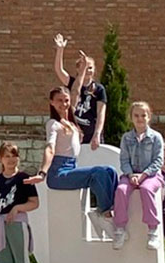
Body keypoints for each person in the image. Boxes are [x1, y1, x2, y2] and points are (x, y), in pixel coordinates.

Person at [41, 86, 117, 225]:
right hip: (59, 173)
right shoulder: (53, 124)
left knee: (110, 171)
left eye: (66, 100)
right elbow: (50, 148)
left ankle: (113, 210)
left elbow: (76, 90)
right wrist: (42, 172)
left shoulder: (71, 123)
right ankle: (106, 214)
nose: (64, 104)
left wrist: (83, 71)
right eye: (59, 101)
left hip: (72, 166)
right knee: (98, 173)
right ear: (51, 102)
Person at [112, 101, 165, 251]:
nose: (140, 118)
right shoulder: (126, 138)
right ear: (131, 117)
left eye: (143, 115)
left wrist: (143, 175)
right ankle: (120, 228)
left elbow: (158, 160)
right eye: (136, 115)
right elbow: (124, 159)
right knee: (121, 190)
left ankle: (152, 229)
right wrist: (130, 175)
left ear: (149, 117)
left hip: (151, 175)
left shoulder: (156, 137)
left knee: (146, 190)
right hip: (131, 174)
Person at [54, 34, 107, 149]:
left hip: (91, 133)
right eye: (84, 67)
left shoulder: (98, 89)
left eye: (90, 67)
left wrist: (97, 134)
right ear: (78, 69)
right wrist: (60, 50)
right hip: (74, 132)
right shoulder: (72, 83)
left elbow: (101, 113)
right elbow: (59, 70)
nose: (87, 70)